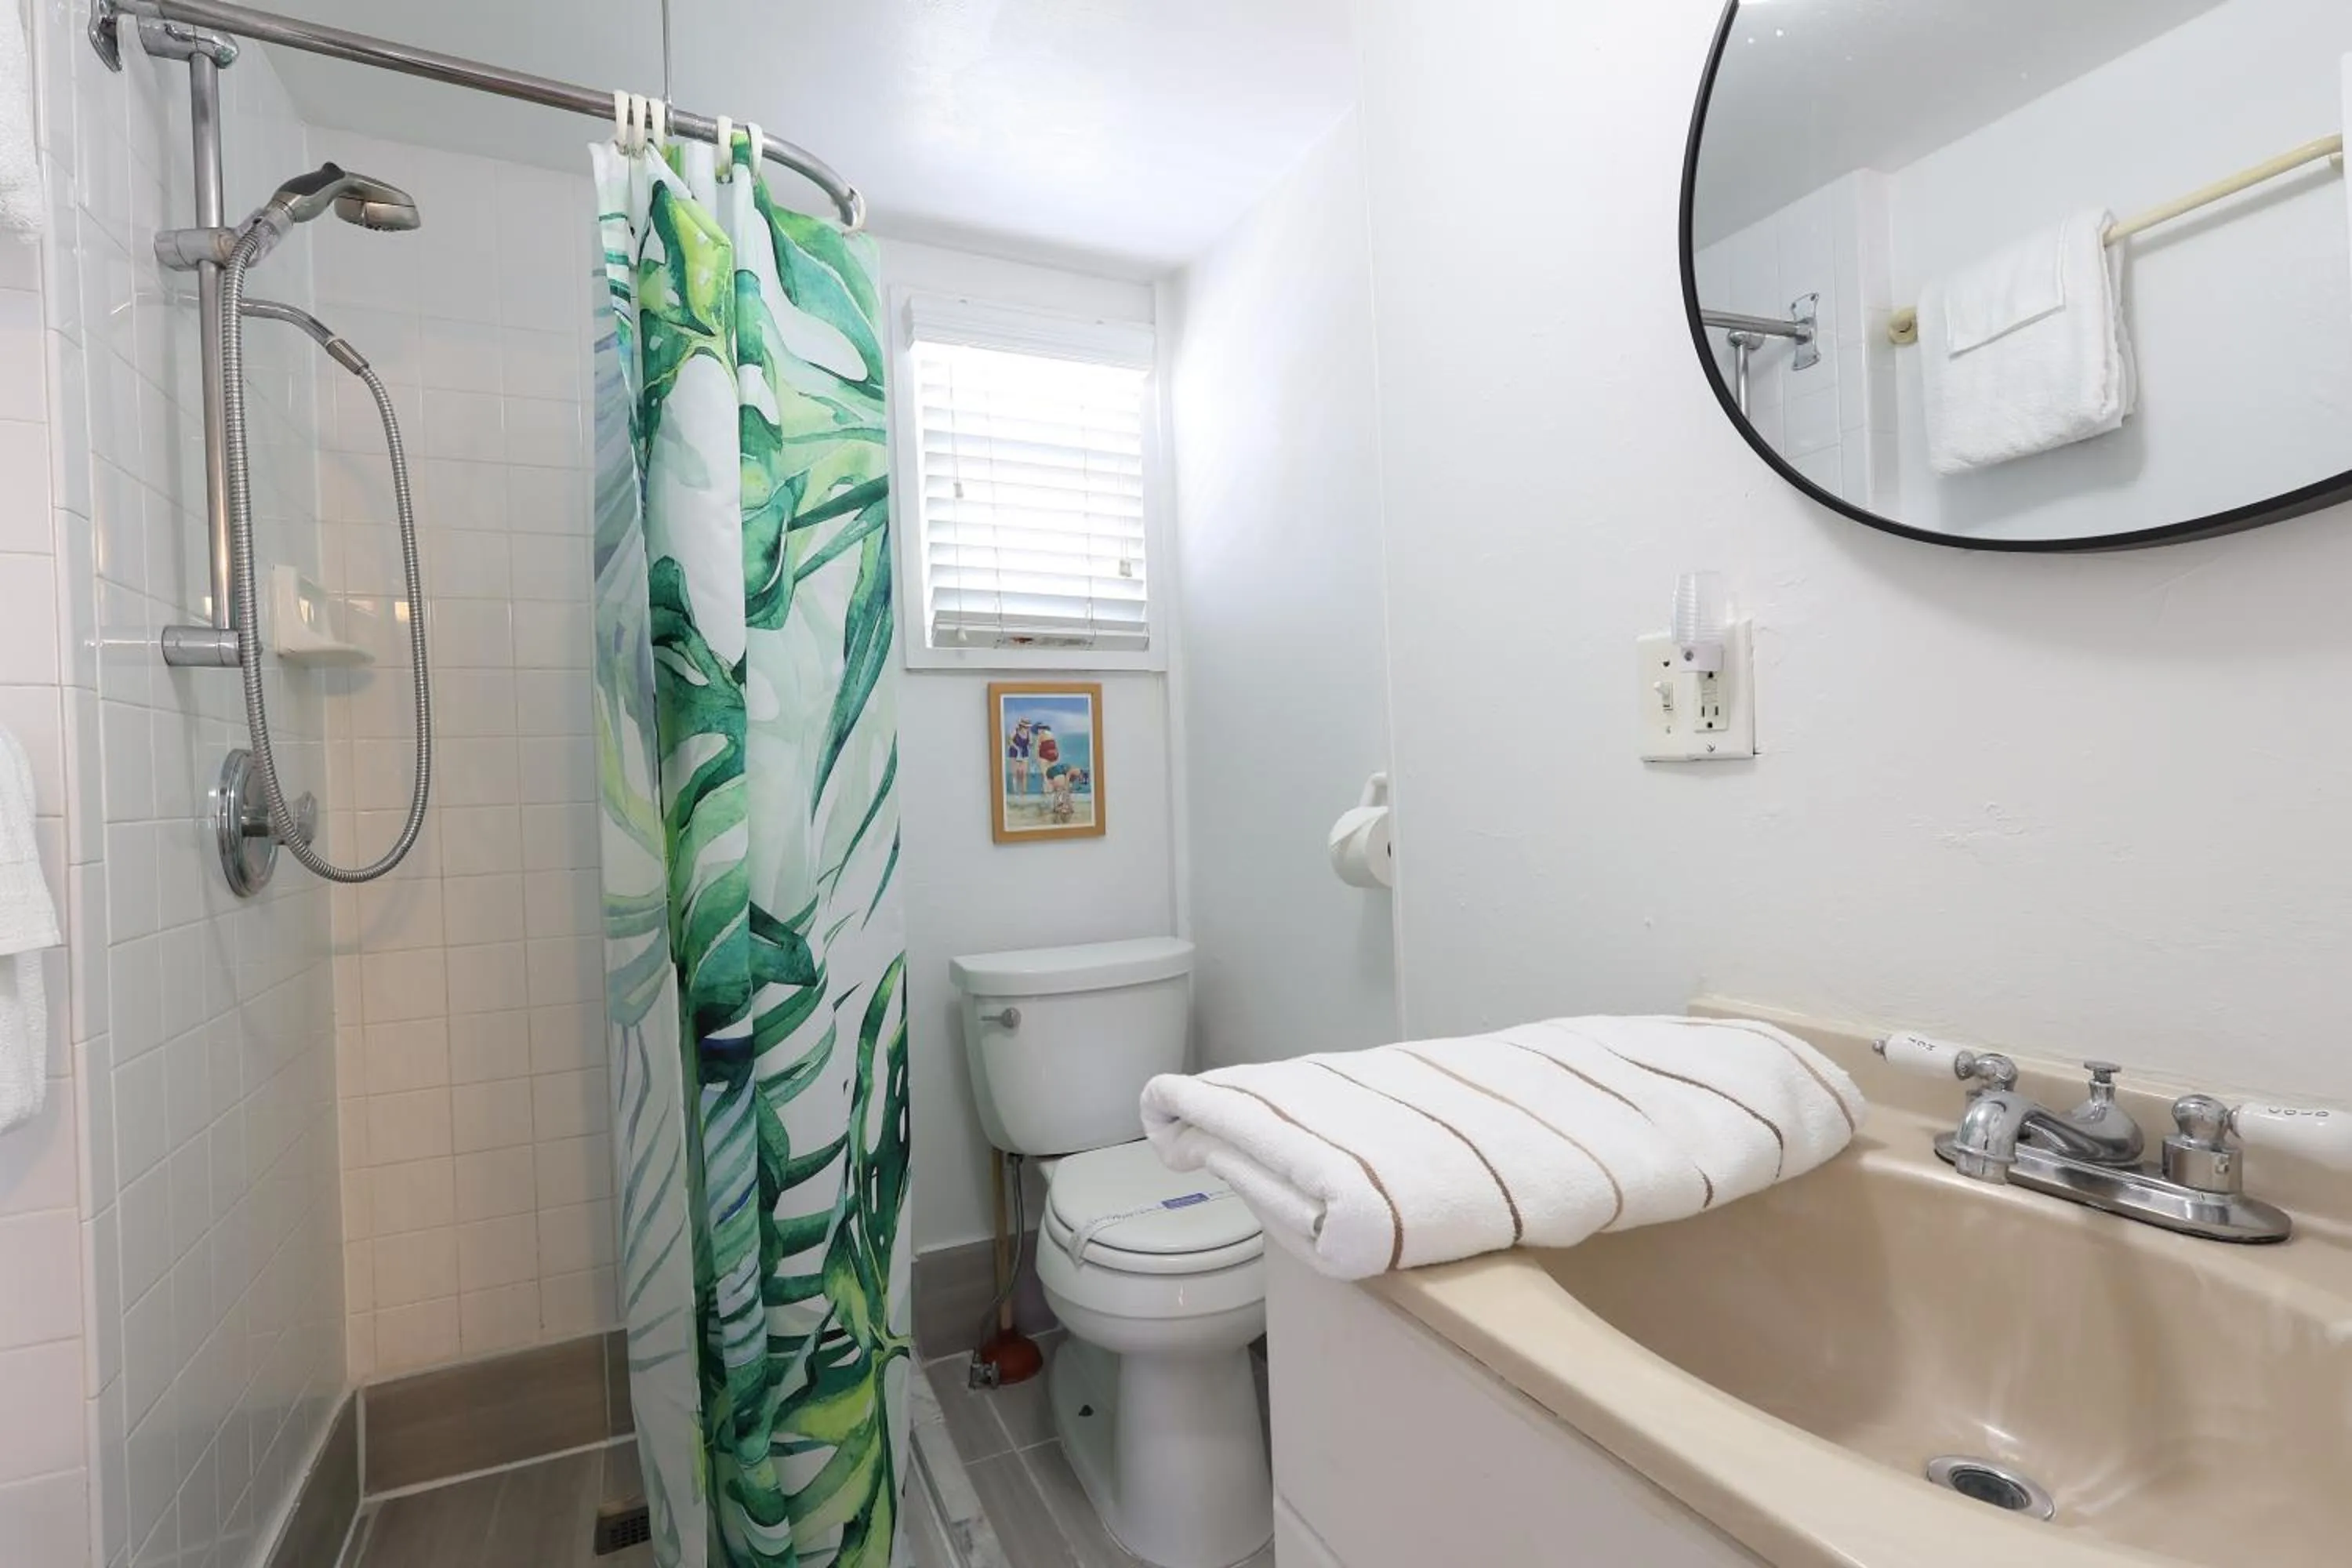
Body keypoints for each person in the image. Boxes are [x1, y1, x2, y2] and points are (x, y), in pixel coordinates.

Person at [1005, 718, 1034, 797]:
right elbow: (1010, 741)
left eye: (1028, 727)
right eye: (1026, 727)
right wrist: (1017, 747)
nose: (1027, 729)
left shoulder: (1029, 734)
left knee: (1024, 774)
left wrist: (1030, 744)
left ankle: (1023, 793)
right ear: (1021, 726)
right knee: (1015, 774)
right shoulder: (1015, 732)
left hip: (1024, 753)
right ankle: (1015, 792)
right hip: (1014, 752)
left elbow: (1030, 743)